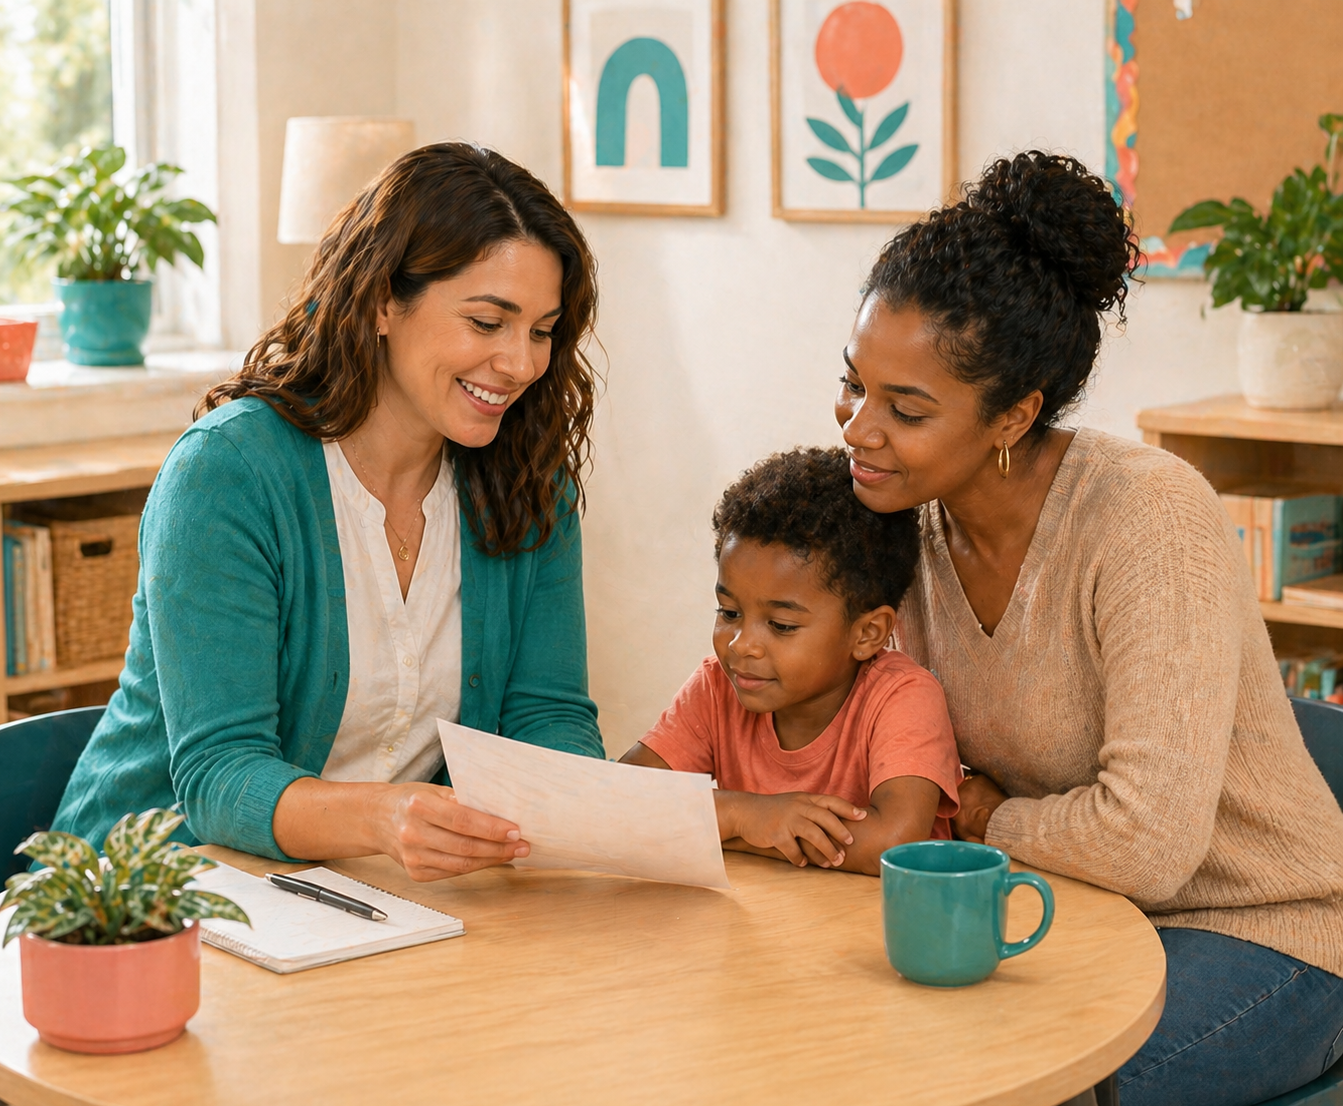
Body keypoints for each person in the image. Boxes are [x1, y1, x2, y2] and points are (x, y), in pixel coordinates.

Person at [836, 150, 1343, 1106]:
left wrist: (981, 815)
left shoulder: (1146, 518)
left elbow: (1149, 844)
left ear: (1012, 416)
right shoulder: (896, 520)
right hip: (1066, 910)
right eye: (853, 385)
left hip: (1261, 932)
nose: (858, 429)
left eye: (903, 409)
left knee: (1019, 1101)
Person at [50, 142, 606, 881]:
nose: (521, 363)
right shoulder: (229, 474)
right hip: (151, 894)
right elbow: (219, 779)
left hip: (372, 895)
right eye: (486, 323)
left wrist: (584, 808)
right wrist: (384, 815)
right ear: (382, 301)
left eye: (541, 331)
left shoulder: (528, 481)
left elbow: (547, 719)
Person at [621, 447, 961, 874]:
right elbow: (620, 797)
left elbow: (892, 846)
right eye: (729, 613)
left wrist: (725, 831)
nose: (742, 645)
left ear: (867, 633)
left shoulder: (901, 697)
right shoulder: (717, 688)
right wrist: (738, 814)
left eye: (781, 625)